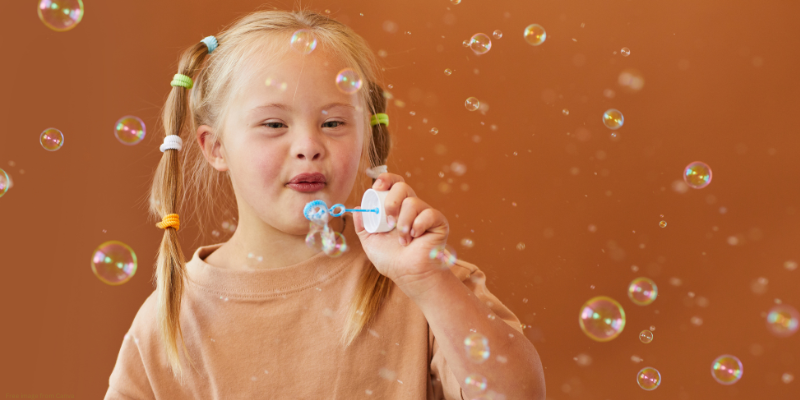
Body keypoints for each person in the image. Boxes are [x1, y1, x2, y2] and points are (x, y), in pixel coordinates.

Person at [104, 9, 545, 400]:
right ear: (215, 148)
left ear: (366, 137)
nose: (309, 146)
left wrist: (429, 280)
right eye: (274, 123)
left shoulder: (420, 283)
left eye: (333, 122)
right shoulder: (168, 323)